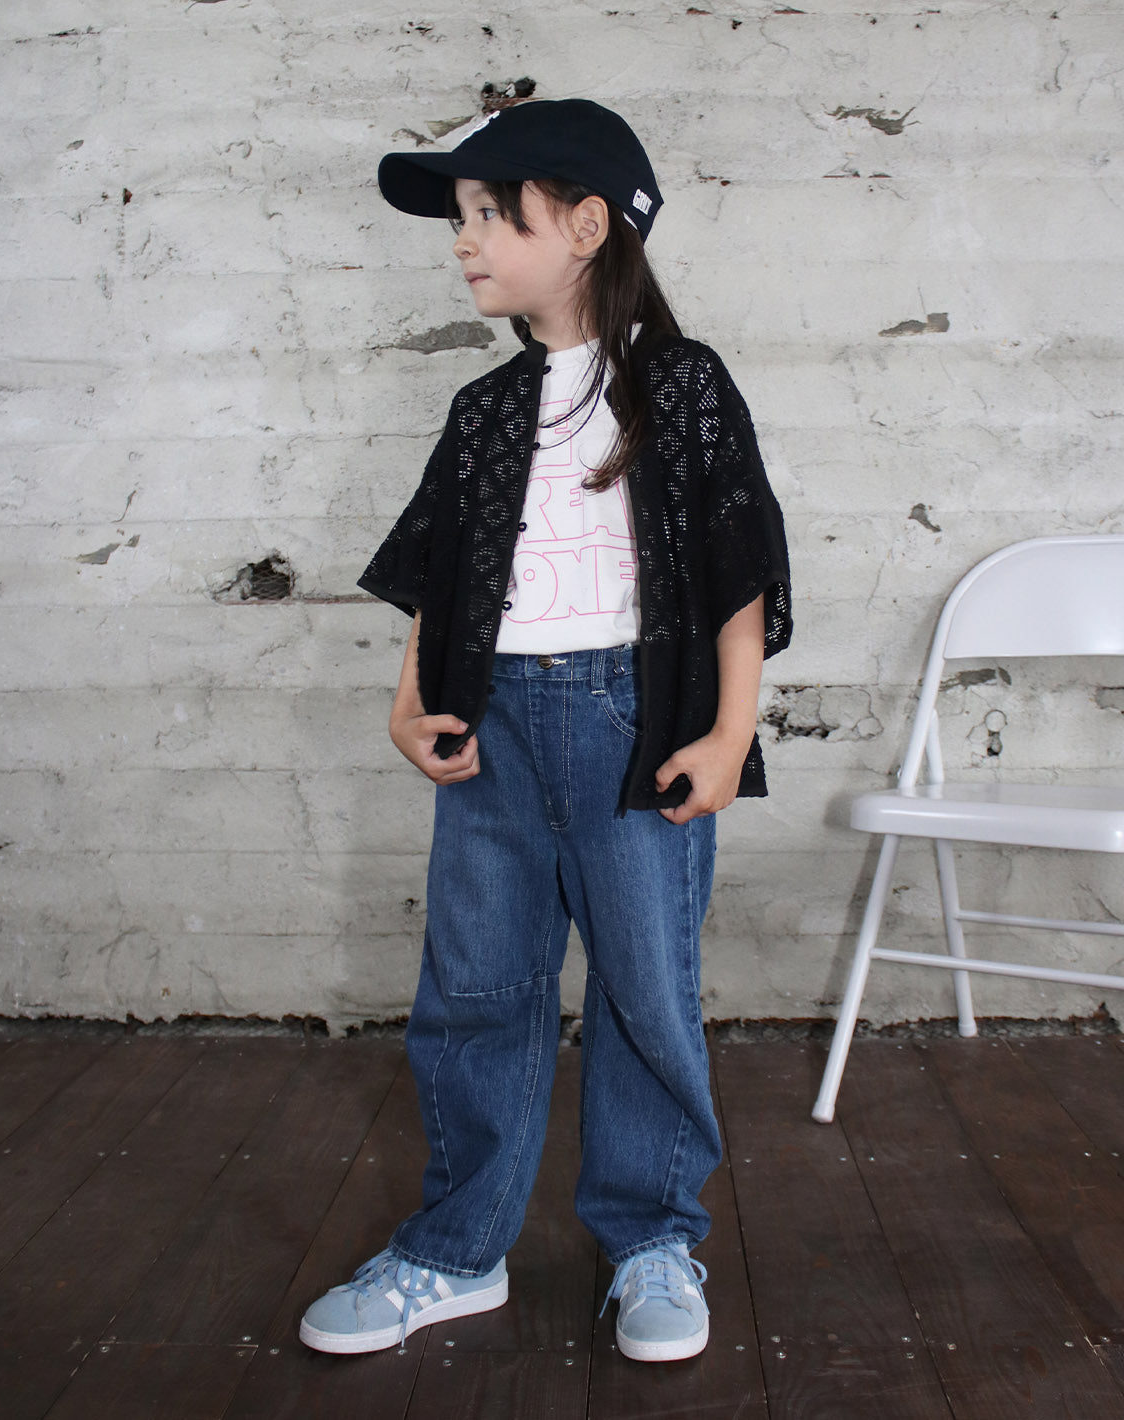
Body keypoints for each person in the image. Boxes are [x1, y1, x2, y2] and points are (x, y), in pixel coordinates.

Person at [300, 97, 791, 1364]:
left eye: (489, 214)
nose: (463, 240)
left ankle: (651, 1239)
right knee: (473, 989)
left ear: (583, 227)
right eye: (457, 219)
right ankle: (455, 1248)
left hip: (637, 725)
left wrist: (728, 734)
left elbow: (736, 573)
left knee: (643, 993)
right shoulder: (482, 410)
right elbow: (441, 572)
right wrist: (409, 699)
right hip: (495, 732)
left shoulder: (679, 386)